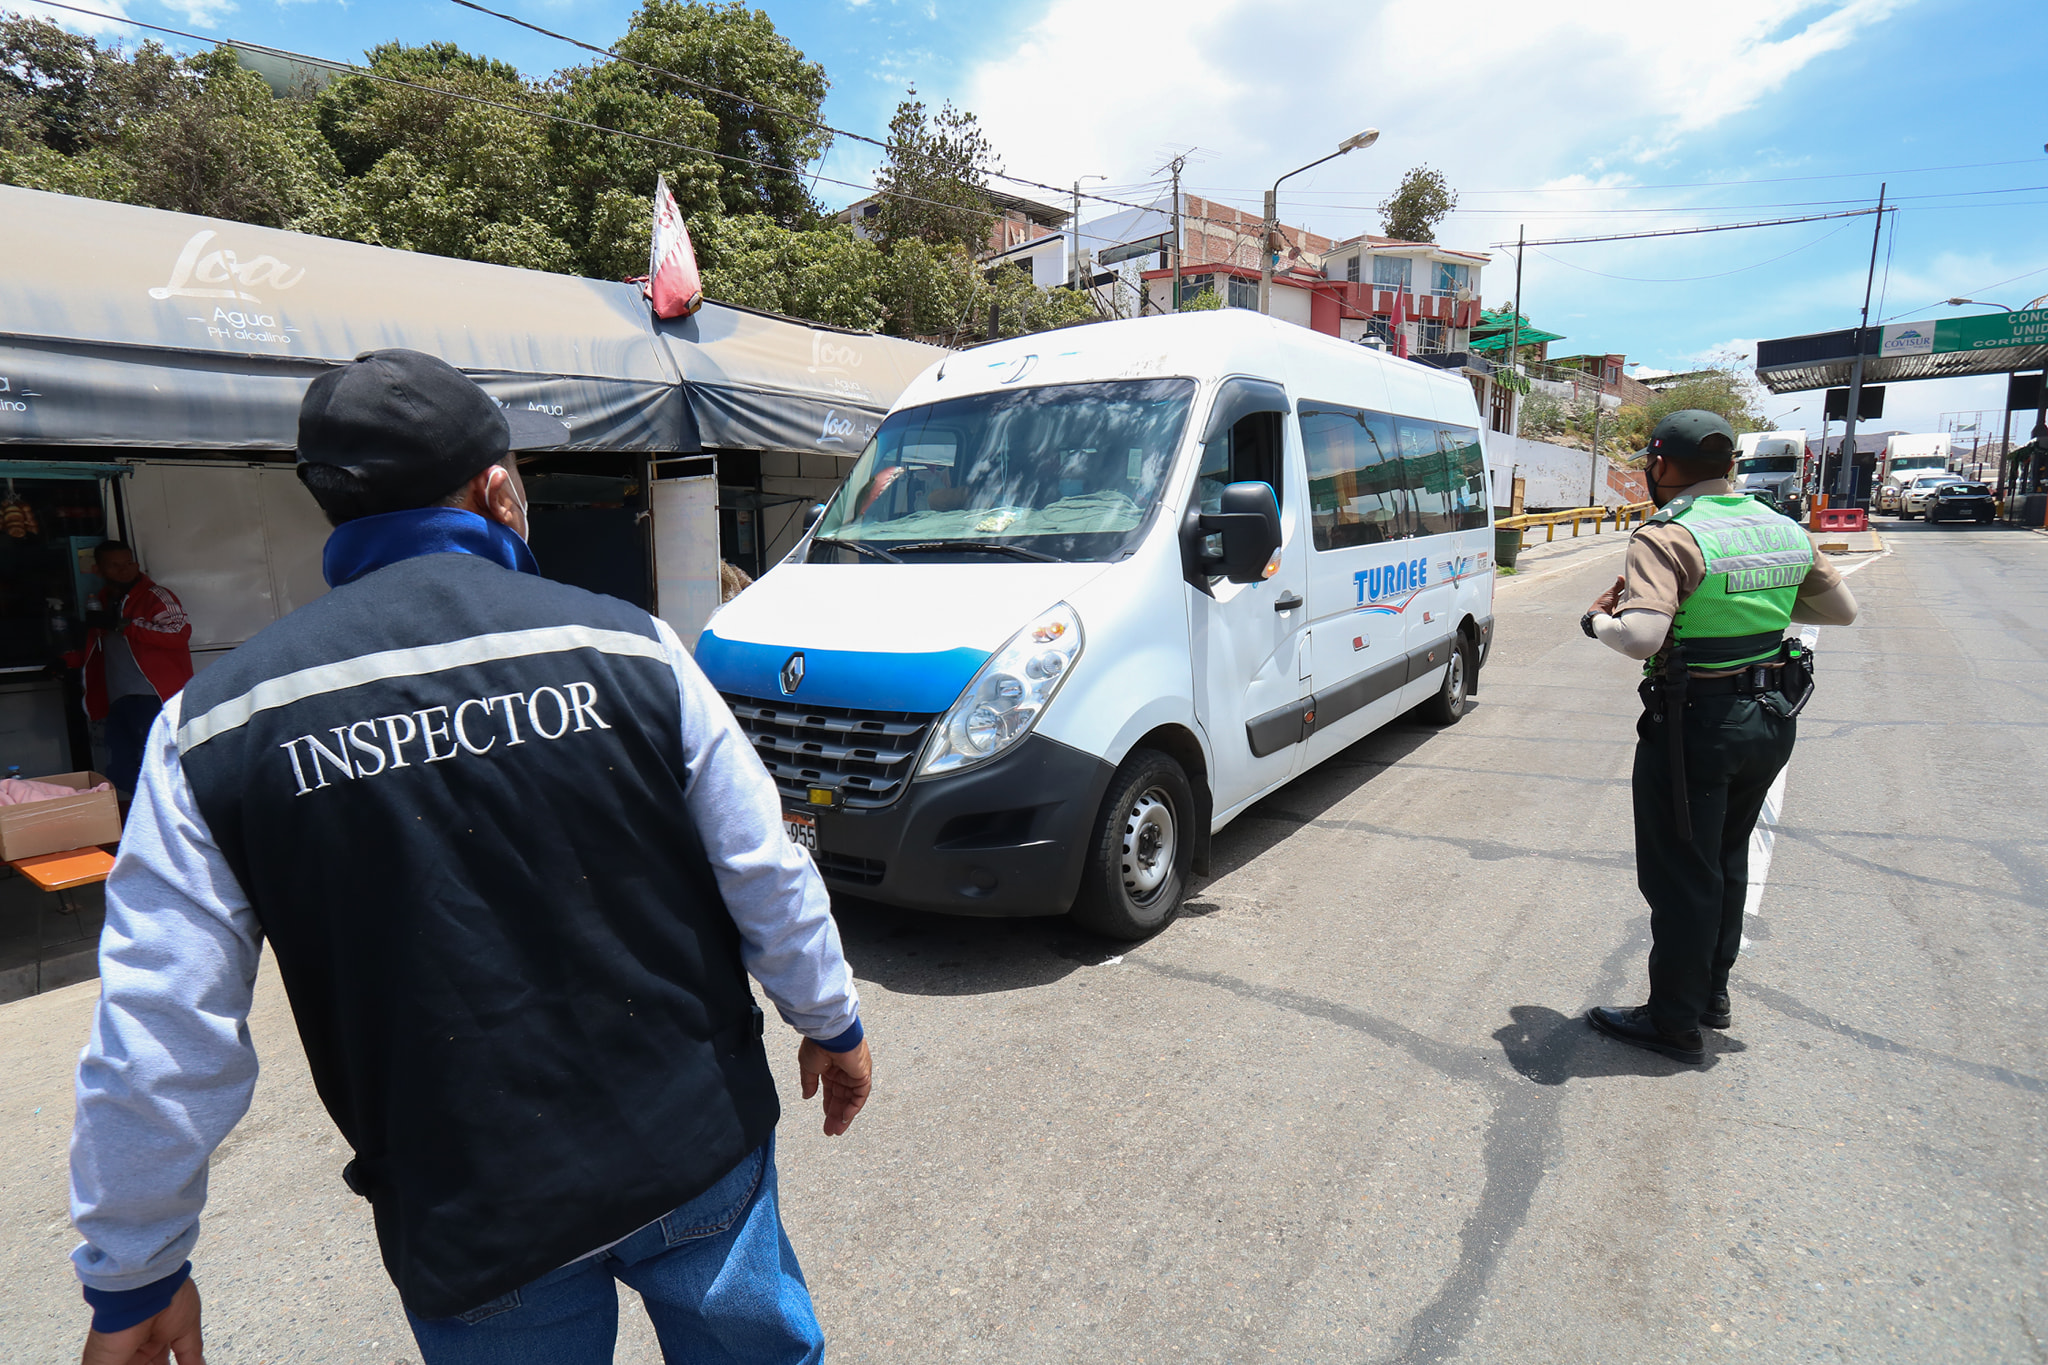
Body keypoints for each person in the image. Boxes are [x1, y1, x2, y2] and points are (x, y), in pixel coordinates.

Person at [69, 349, 873, 1365]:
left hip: (471, 1210)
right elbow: (763, 871)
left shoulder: (212, 728)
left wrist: (134, 1271)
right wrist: (829, 1018)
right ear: (498, 491)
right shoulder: (635, 650)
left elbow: (159, 1032)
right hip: (694, 1150)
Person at [1580, 410, 1859, 1064]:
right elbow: (1841, 610)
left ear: (1663, 465)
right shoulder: (1781, 526)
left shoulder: (1667, 534)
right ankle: (1711, 994)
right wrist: (1756, 608)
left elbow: (1643, 635)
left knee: (1683, 872)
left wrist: (1597, 622)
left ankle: (1673, 1020)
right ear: (1731, 464)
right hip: (1770, 718)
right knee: (1728, 856)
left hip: (1697, 728)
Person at [71, 540, 193, 795]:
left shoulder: (156, 596)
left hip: (155, 697)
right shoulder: (102, 602)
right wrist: (67, 661)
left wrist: (123, 624)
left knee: (164, 771)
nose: (124, 570)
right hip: (118, 699)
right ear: (99, 570)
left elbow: (178, 632)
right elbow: (97, 650)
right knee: (122, 774)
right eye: (114, 566)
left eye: (128, 563)